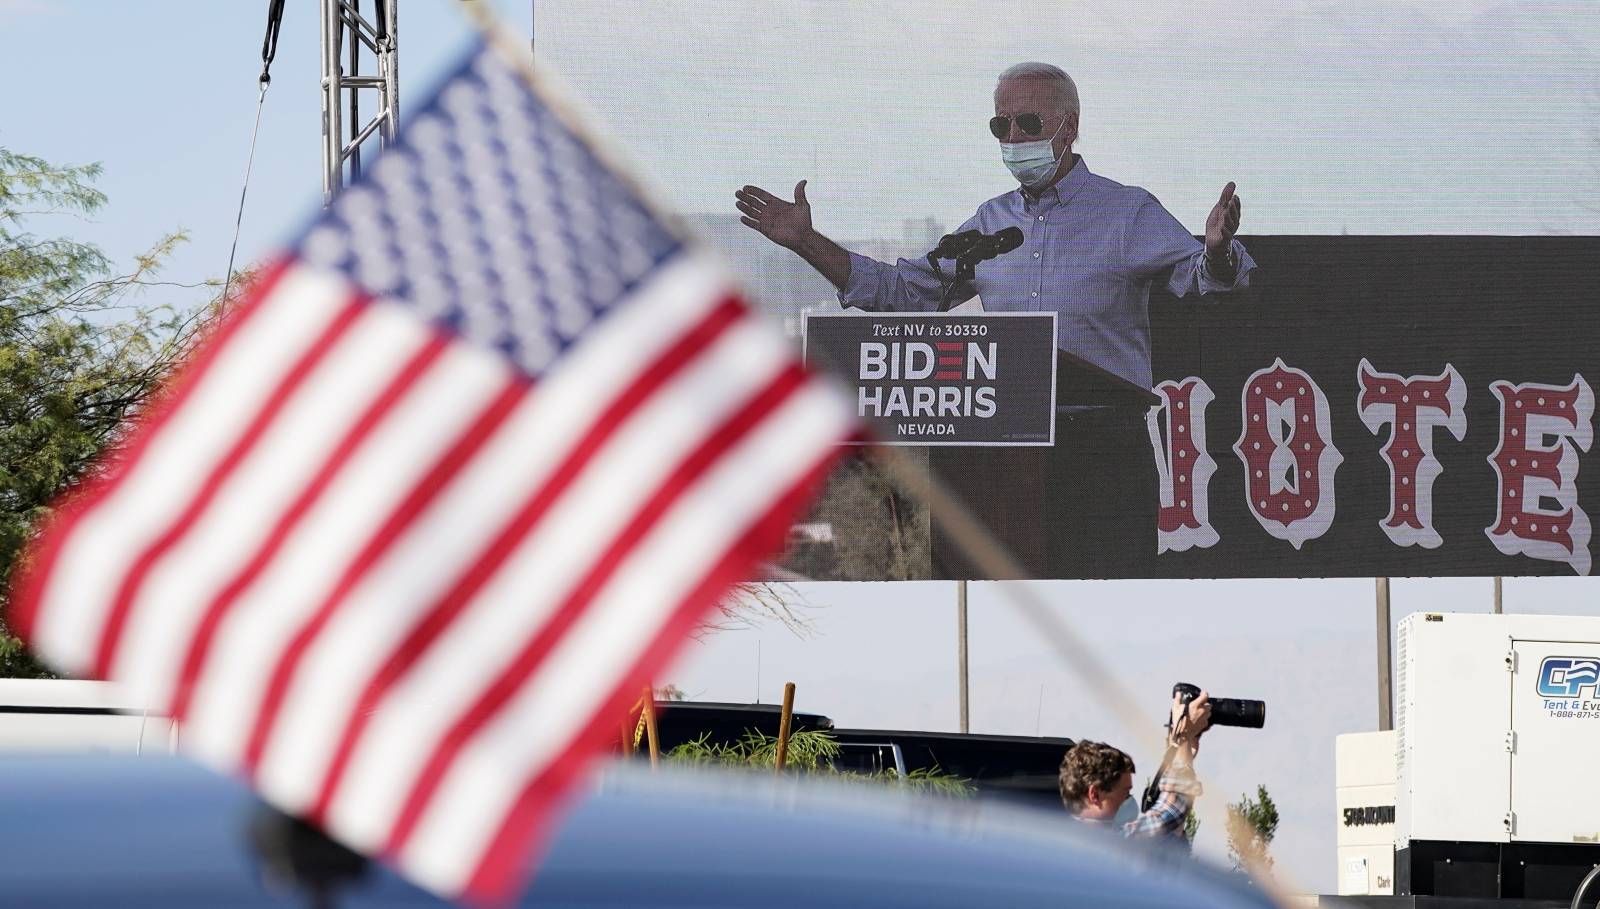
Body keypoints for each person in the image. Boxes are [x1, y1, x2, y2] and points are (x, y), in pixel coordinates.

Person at [735, 62, 1254, 578]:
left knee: (1104, 608)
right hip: (1006, 454)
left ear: (1068, 128)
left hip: (1101, 447)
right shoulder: (990, 223)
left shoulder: (1125, 212)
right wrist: (806, 242)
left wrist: (1218, 251)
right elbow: (901, 292)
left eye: (1027, 124)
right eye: (999, 125)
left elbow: (1204, 276)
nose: (1011, 137)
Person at [1058, 691, 1211, 843]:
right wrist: (1183, 735)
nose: (1130, 800)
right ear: (1095, 795)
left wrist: (1182, 752)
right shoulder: (1110, 842)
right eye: (1125, 793)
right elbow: (1172, 811)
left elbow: (1167, 833)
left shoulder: (1059, 843)